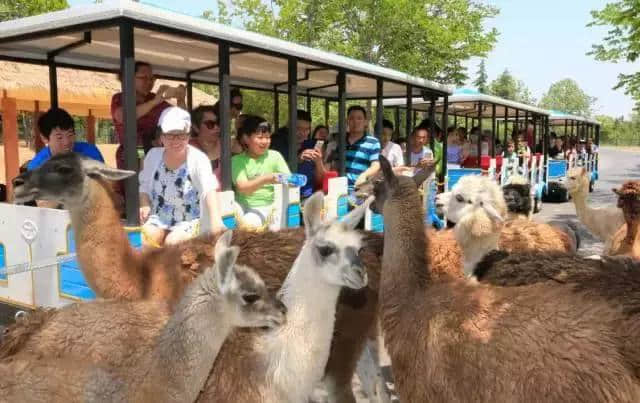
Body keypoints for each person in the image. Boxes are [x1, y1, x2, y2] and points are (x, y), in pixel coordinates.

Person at [139, 107, 224, 246]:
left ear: (189, 135)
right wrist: (144, 204)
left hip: (191, 220)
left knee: (173, 243)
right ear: (161, 136)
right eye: (170, 135)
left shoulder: (198, 158)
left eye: (181, 134)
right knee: (146, 239)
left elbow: (209, 189)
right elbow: (144, 186)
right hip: (159, 217)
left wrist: (215, 221)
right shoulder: (153, 156)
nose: (176, 140)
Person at [111, 61, 185, 171]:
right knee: (138, 183)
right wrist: (154, 102)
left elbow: (182, 120)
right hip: (133, 154)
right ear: (128, 79)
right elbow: (123, 116)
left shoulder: (154, 98)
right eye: (144, 78)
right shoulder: (121, 98)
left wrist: (181, 99)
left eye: (151, 79)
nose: (149, 82)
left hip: (155, 152)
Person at [232, 115, 291, 227]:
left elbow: (288, 178)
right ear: (246, 138)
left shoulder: (275, 156)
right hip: (242, 206)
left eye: (268, 137)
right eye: (260, 137)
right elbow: (244, 188)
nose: (265, 141)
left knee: (249, 223)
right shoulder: (237, 161)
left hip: (267, 206)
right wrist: (266, 179)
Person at [28, 107, 104, 171]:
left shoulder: (90, 152)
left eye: (70, 135)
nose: (66, 142)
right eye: (59, 137)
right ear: (44, 138)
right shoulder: (37, 167)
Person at [271, 110, 325, 199]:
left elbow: (321, 179)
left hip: (308, 197)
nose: (303, 133)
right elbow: (275, 176)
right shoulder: (278, 145)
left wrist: (318, 162)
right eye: (298, 128)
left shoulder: (312, 145)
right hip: (284, 197)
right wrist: (297, 160)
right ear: (288, 127)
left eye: (307, 129)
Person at [344, 106, 381, 191]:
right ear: (347, 121)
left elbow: (376, 165)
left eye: (359, 118)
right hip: (340, 188)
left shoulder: (373, 142)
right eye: (351, 118)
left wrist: (364, 175)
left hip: (360, 189)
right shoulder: (340, 141)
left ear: (365, 122)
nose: (355, 121)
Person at [190, 104, 222, 183]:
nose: (216, 127)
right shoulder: (188, 149)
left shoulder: (227, 146)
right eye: (210, 124)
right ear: (196, 127)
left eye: (218, 123)